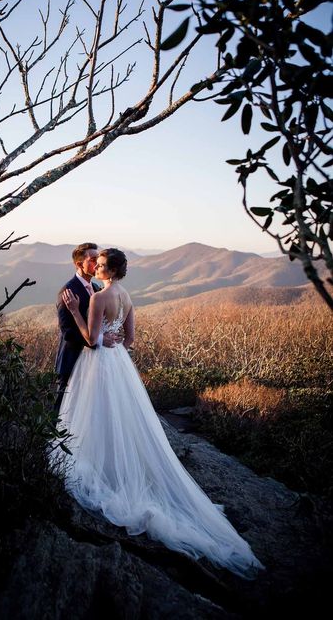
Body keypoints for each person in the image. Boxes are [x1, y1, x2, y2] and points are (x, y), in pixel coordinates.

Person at [50, 248, 264, 579]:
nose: (98, 268)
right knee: (122, 416)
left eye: (102, 265)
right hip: (120, 364)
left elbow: (91, 341)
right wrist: (115, 337)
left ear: (109, 270)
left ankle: (104, 466)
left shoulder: (96, 298)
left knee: (96, 416)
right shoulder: (127, 296)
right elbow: (130, 339)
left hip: (98, 365)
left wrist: (77, 312)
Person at [54, 242, 121, 411]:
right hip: (72, 361)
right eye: (92, 260)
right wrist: (99, 339)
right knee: (62, 412)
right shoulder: (68, 291)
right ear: (79, 264)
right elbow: (68, 333)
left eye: (98, 260)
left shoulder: (97, 287)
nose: (97, 264)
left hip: (93, 364)